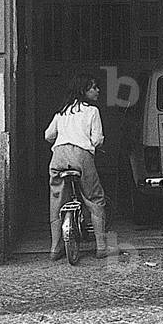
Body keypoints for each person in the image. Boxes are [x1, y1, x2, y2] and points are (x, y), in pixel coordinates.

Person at [44, 72, 112, 260]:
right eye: (93, 87)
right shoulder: (92, 111)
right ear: (84, 90)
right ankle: (101, 247)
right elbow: (97, 140)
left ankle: (55, 248)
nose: (97, 90)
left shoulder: (62, 111)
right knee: (95, 198)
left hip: (58, 156)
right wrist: (91, 145)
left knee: (57, 200)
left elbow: (48, 135)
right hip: (81, 157)